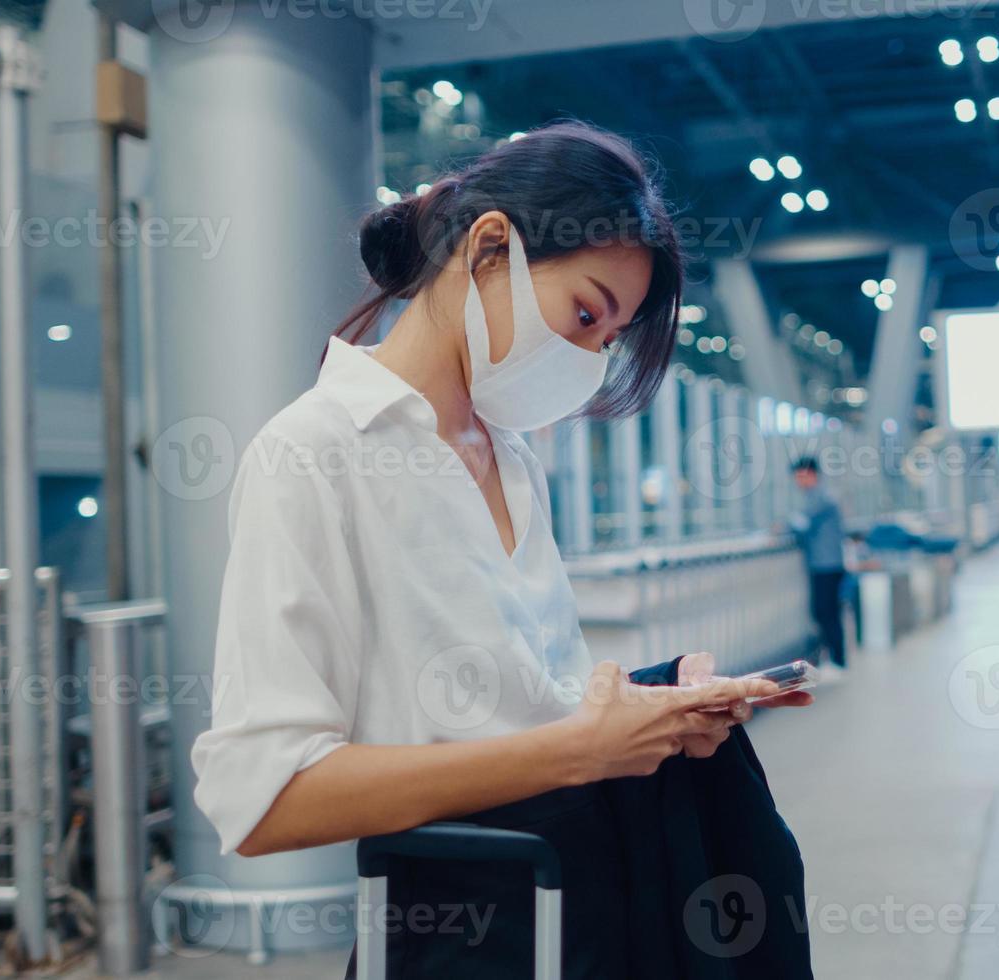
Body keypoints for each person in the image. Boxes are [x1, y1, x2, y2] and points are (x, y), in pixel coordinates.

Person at [188, 122, 812, 976]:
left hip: (580, 910)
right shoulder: (314, 452)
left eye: (606, 339)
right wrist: (581, 749)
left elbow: (520, 715)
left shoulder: (513, 459)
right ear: (490, 248)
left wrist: (652, 710)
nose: (589, 357)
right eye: (586, 314)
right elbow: (264, 801)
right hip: (454, 934)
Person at [787, 456, 848, 672]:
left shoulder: (821, 497)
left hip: (827, 565)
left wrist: (784, 526)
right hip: (824, 564)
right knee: (824, 612)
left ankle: (838, 662)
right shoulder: (817, 496)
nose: (798, 482)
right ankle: (833, 660)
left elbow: (800, 523)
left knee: (826, 612)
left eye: (800, 476)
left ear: (811, 474)